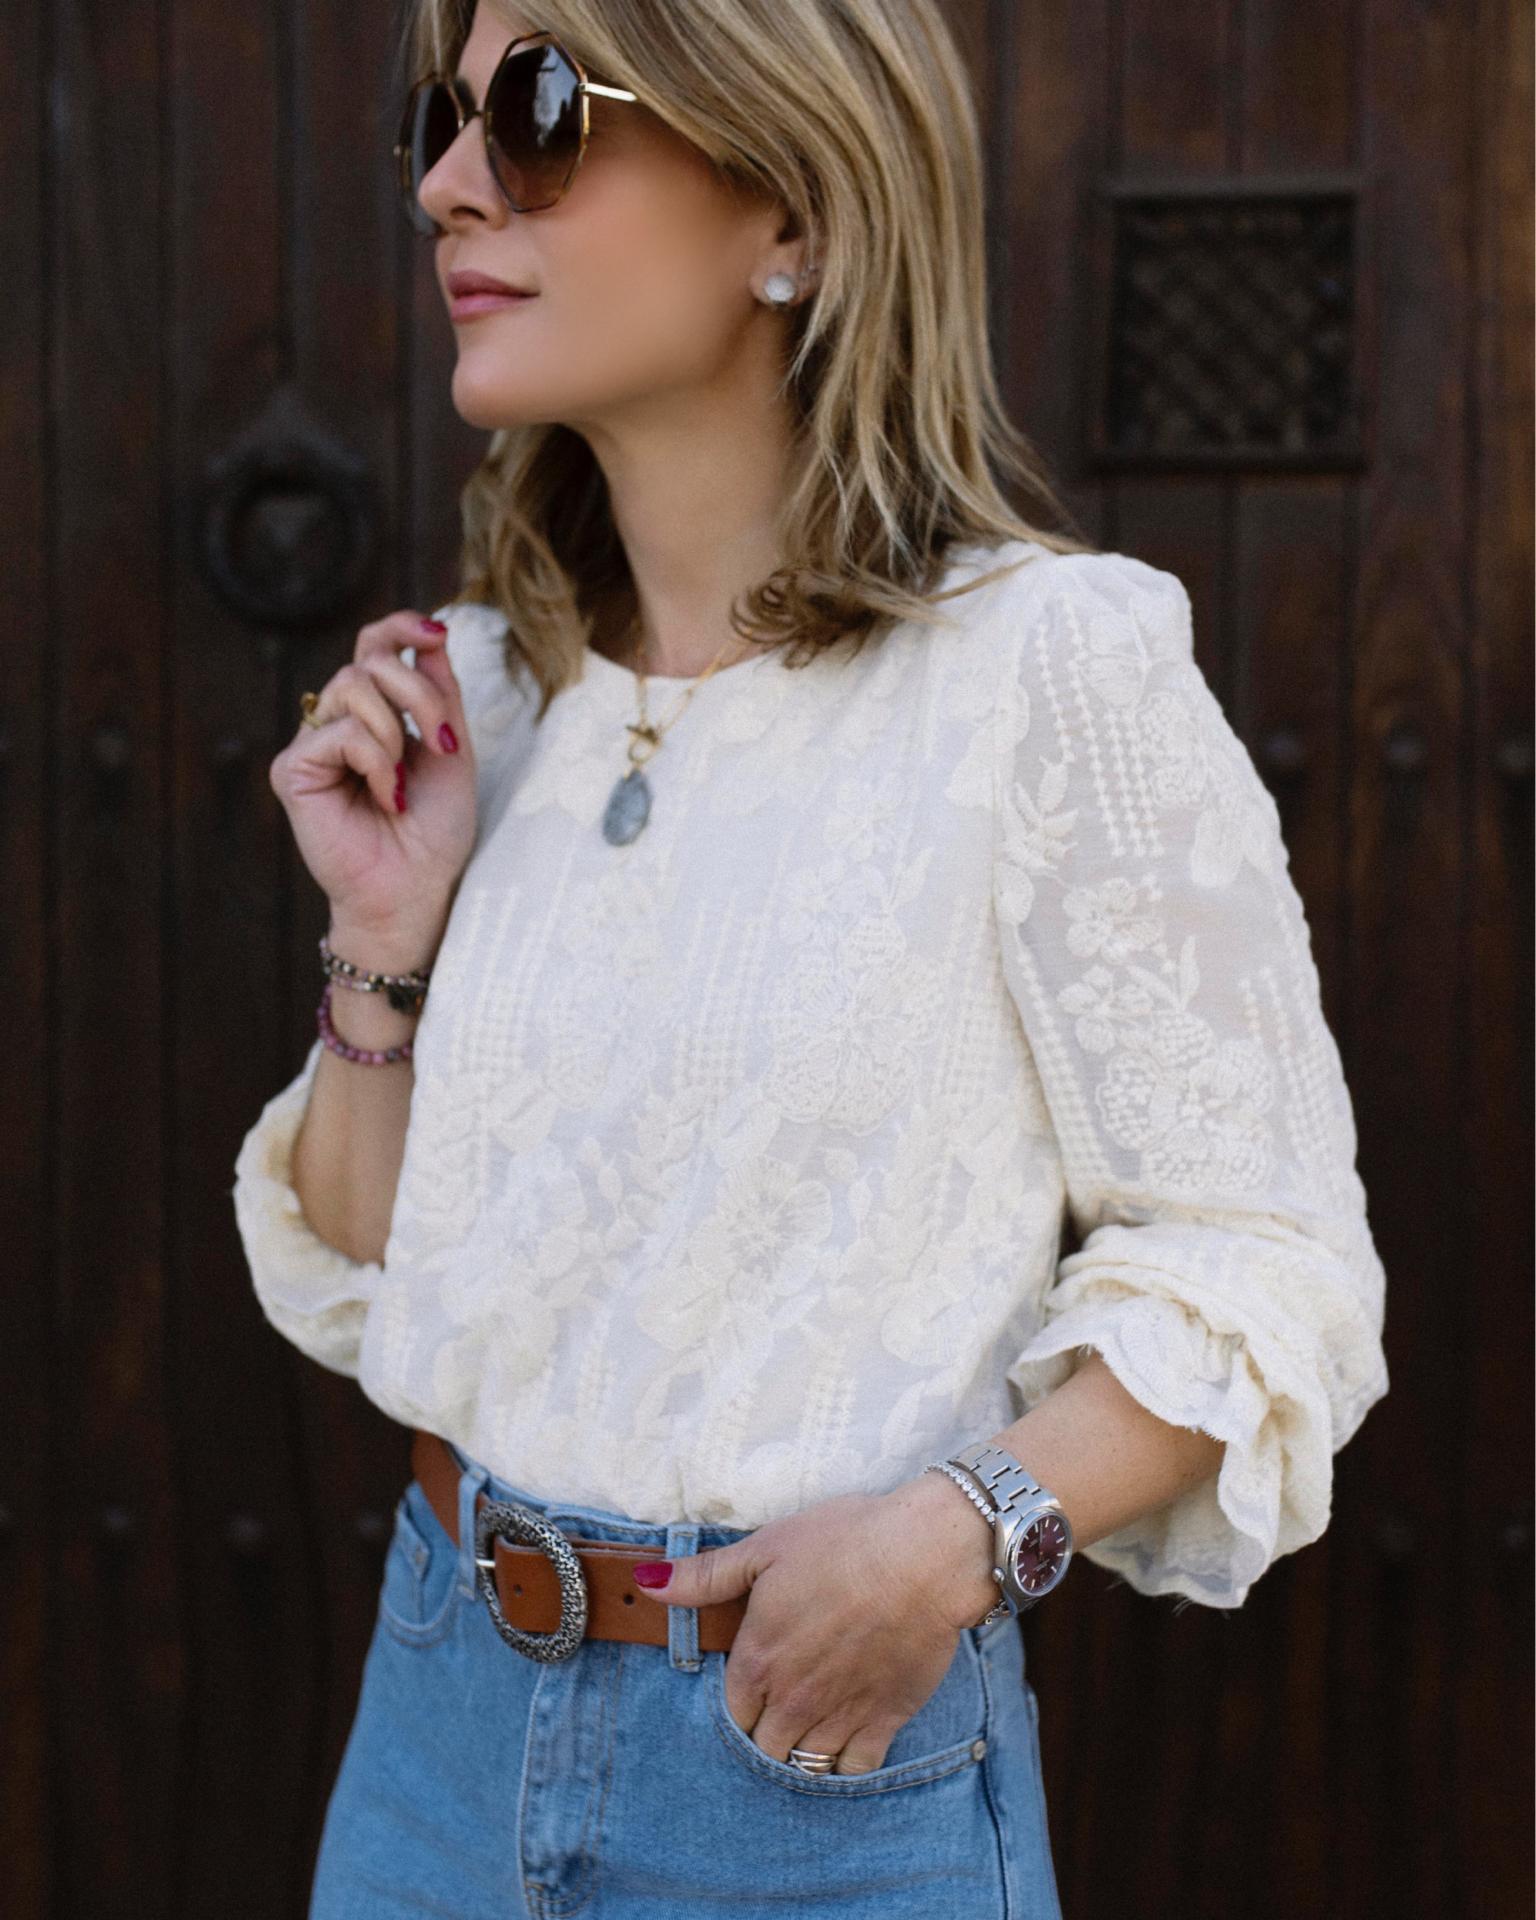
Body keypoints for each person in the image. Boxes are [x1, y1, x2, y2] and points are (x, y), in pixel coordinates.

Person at [231, 1, 1391, 1913]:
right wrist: (381, 937)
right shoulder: (491, 694)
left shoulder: (1044, 673)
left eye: (537, 109)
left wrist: (962, 1533)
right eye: (438, 116)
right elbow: (375, 1262)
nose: (448, 186)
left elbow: (1274, 1263)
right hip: (437, 1725)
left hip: (812, 1777)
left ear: (795, 210)